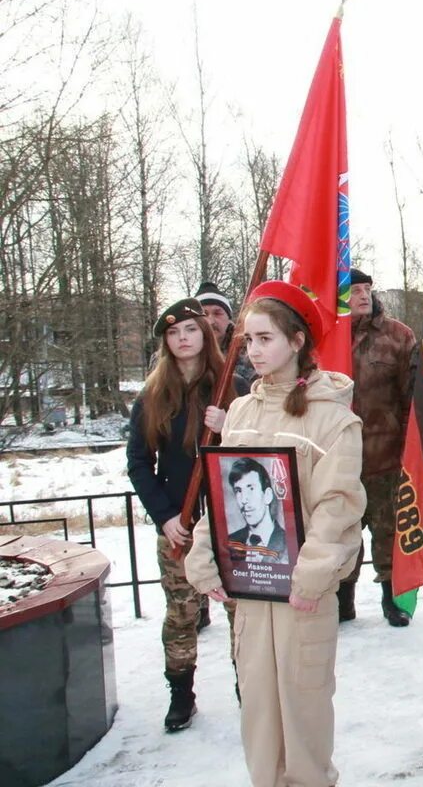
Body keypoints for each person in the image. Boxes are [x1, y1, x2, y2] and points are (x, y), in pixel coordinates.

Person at [185, 280, 366, 787]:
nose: (254, 350)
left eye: (265, 339)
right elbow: (223, 494)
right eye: (247, 340)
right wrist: (206, 557)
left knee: (304, 709)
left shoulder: (334, 418)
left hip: (301, 597)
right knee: (259, 710)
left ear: (297, 342)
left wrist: (311, 577)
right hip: (251, 590)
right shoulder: (241, 409)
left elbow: (337, 506)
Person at [126, 297, 247, 732]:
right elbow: (139, 462)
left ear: (206, 335)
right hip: (182, 525)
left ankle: (247, 688)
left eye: (191, 330)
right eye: (174, 333)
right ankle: (181, 695)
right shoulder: (153, 395)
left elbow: (261, 450)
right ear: (166, 342)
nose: (183, 338)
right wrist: (164, 516)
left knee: (241, 611)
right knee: (181, 614)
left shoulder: (234, 386)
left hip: (233, 523)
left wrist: (231, 421)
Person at [336, 267, 418, 627]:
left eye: (368, 289)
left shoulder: (398, 336)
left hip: (386, 456)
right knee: (340, 534)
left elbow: (411, 400)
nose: (364, 296)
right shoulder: (323, 336)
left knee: (388, 532)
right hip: (338, 460)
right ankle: (342, 601)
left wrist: (408, 450)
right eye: (354, 291)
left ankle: (392, 599)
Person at [226, 457, 288, 564]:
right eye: (238, 490)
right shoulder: (229, 542)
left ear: (267, 495)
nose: (244, 499)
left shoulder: (288, 542)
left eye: (251, 488)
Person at [194, 281, 257, 384]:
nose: (211, 321)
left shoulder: (250, 354)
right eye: (204, 314)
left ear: (229, 318)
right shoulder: (183, 355)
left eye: (217, 313)